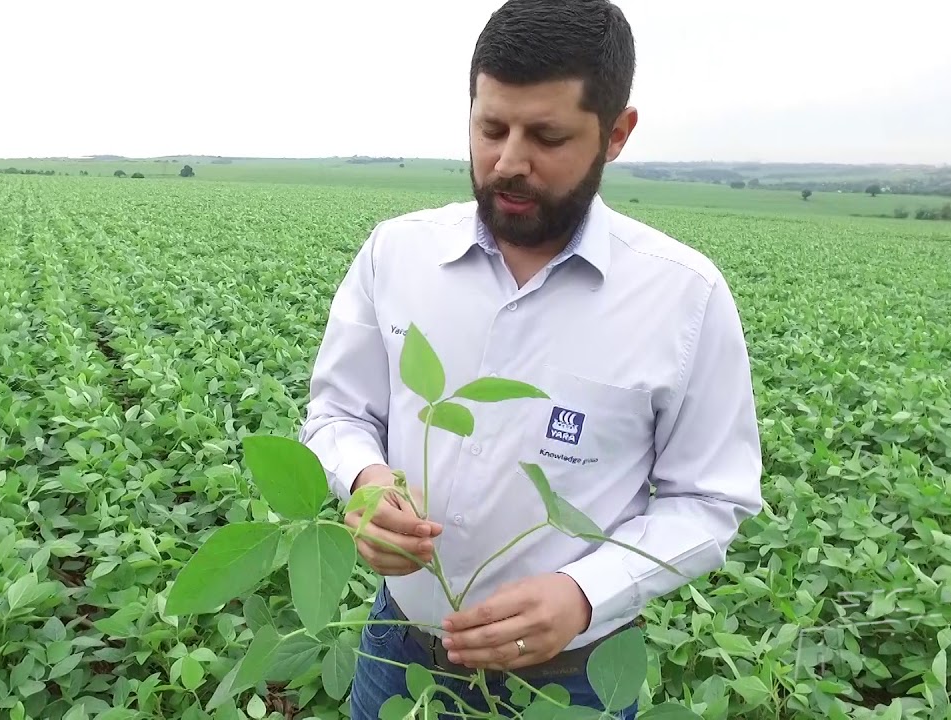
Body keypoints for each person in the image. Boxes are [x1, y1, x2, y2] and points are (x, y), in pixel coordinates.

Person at [299, 0, 764, 716]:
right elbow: (338, 410)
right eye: (490, 128)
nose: (509, 162)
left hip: (572, 684)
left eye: (546, 136)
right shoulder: (398, 254)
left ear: (616, 134)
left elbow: (709, 501)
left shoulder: (683, 298)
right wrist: (364, 481)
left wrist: (585, 594)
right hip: (395, 652)